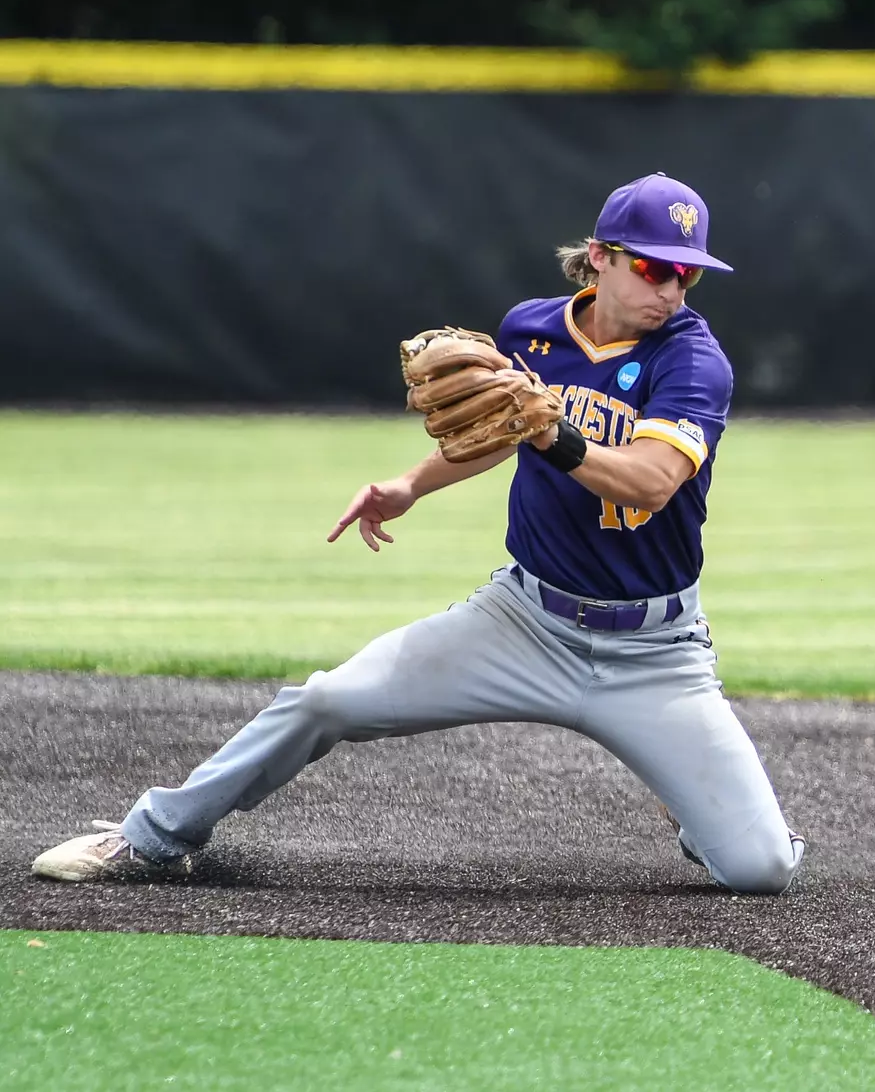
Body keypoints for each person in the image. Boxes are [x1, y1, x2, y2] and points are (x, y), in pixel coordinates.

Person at [33, 172, 807, 895]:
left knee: (759, 867)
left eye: (687, 273)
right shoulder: (532, 332)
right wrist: (411, 482)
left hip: (653, 653)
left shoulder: (694, 360)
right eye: (652, 267)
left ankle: (698, 809)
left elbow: (650, 480)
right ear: (599, 259)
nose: (671, 287)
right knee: (327, 701)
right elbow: (499, 429)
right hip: (524, 622)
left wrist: (549, 435)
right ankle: (153, 836)